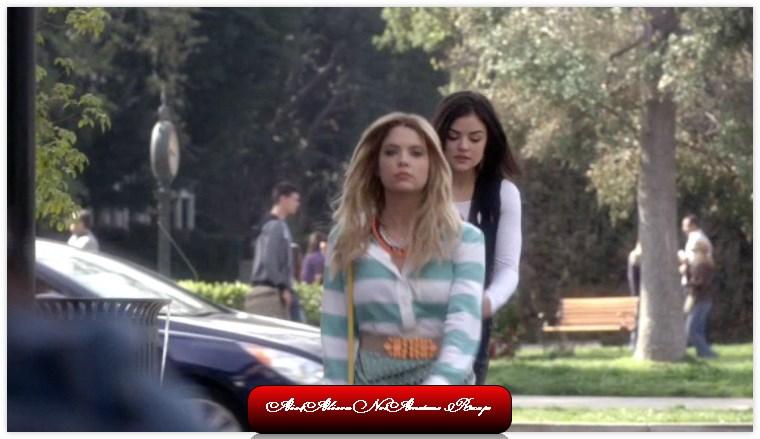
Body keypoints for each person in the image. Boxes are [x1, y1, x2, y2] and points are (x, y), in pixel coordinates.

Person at [321, 112, 486, 385]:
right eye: (391, 152)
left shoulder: (465, 240)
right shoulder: (347, 239)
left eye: (416, 153)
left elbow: (464, 324)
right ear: (375, 165)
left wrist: (439, 386)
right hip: (370, 384)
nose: (403, 160)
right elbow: (336, 330)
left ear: (432, 165)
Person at [432, 90, 521, 385]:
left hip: (470, 329)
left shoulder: (502, 195)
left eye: (475, 138)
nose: (463, 146)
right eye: (453, 136)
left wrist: (487, 302)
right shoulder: (417, 192)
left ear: (488, 141)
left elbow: (507, 267)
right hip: (414, 328)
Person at [246, 181, 302, 321]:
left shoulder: (279, 225)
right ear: (283, 199)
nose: (297, 204)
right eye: (294, 199)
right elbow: (269, 258)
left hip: (280, 288)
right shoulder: (274, 225)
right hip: (274, 290)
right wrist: (282, 287)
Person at [684, 240, 718, 358]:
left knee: (691, 329)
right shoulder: (700, 265)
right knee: (698, 329)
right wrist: (687, 269)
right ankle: (703, 352)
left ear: (702, 253)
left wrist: (688, 285)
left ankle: (707, 353)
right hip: (702, 300)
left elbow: (700, 282)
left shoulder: (703, 265)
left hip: (701, 299)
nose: (694, 254)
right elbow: (693, 278)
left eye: (696, 252)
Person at [678, 214, 713, 295]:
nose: (683, 229)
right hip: (699, 281)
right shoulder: (698, 238)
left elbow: (692, 261)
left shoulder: (696, 239)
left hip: (694, 282)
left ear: (693, 226)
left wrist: (681, 257)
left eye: (686, 226)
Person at [627, 241, 642, 348]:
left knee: (637, 317)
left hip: (637, 294)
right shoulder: (636, 257)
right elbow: (633, 280)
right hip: (639, 294)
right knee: (637, 318)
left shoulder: (634, 256)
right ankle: (633, 342)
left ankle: (633, 342)